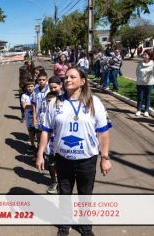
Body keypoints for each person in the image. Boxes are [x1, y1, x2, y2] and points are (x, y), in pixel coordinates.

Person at [36, 67, 112, 236]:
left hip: (87, 159)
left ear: (83, 81)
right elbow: (46, 131)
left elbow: (104, 132)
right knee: (65, 193)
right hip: (62, 159)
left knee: (85, 195)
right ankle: (65, 223)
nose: (68, 79)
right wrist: (40, 153)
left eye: (73, 77)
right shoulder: (54, 103)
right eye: (66, 77)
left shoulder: (94, 102)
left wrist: (105, 157)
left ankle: (85, 227)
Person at [31, 71, 50, 152]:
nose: (41, 81)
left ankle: (48, 154)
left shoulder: (50, 89)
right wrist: (34, 117)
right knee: (38, 136)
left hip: (48, 117)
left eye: (43, 79)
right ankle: (39, 153)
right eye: (39, 80)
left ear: (46, 79)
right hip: (39, 117)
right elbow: (34, 104)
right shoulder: (35, 90)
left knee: (47, 136)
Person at [135, 49, 154, 117]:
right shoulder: (140, 63)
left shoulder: (152, 64)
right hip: (140, 83)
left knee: (147, 97)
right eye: (144, 54)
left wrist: (149, 79)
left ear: (149, 56)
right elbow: (137, 72)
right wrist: (140, 79)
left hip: (149, 83)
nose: (144, 55)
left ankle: (146, 111)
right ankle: (139, 110)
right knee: (140, 97)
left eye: (145, 54)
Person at [21, 81, 36, 154]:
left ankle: (39, 148)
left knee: (38, 133)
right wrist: (34, 106)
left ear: (34, 86)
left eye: (31, 86)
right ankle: (32, 145)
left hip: (37, 116)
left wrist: (29, 106)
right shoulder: (24, 96)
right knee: (30, 132)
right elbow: (24, 106)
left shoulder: (37, 94)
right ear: (26, 88)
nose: (30, 88)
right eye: (28, 86)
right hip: (28, 116)